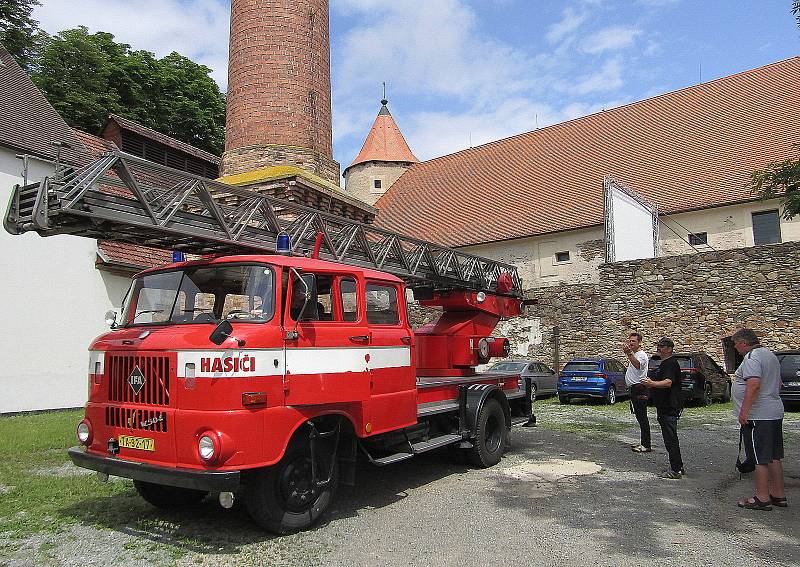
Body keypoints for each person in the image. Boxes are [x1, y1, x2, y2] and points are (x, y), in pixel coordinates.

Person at [731, 328, 786, 511]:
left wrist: (744, 412)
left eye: (736, 344)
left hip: (759, 415)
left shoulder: (752, 357)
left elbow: (753, 384)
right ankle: (778, 494)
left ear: (743, 343)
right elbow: (779, 384)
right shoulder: (770, 355)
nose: (735, 348)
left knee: (759, 457)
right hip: (773, 412)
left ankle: (762, 497)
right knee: (773, 456)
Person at [641, 337, 684, 479]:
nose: (658, 348)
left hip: (669, 406)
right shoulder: (664, 363)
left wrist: (651, 383)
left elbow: (668, 383)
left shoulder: (670, 363)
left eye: (661, 346)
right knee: (669, 437)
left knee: (670, 438)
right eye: (658, 345)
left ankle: (676, 470)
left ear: (669, 349)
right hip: (663, 405)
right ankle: (677, 466)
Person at [623, 332, 651, 452]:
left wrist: (629, 353)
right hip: (635, 388)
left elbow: (638, 365)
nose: (630, 343)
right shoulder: (636, 354)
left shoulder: (641, 355)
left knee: (642, 417)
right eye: (629, 341)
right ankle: (644, 442)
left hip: (639, 388)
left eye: (633, 341)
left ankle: (646, 445)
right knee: (640, 417)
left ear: (639, 342)